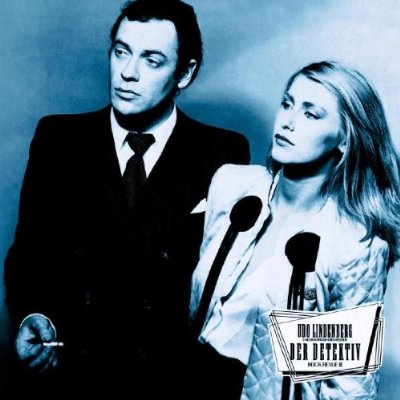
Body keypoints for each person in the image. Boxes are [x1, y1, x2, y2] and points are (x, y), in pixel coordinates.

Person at [4, 0, 250, 397]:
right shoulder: (58, 140)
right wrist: (34, 314)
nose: (128, 73)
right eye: (121, 52)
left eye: (152, 61)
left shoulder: (222, 152)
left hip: (169, 382)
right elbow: (29, 252)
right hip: (72, 378)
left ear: (185, 73)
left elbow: (229, 285)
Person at [190, 61, 400, 399]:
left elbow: (348, 387)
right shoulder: (233, 187)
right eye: (287, 104)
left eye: (310, 114)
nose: (288, 121)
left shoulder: (353, 244)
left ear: (344, 139)